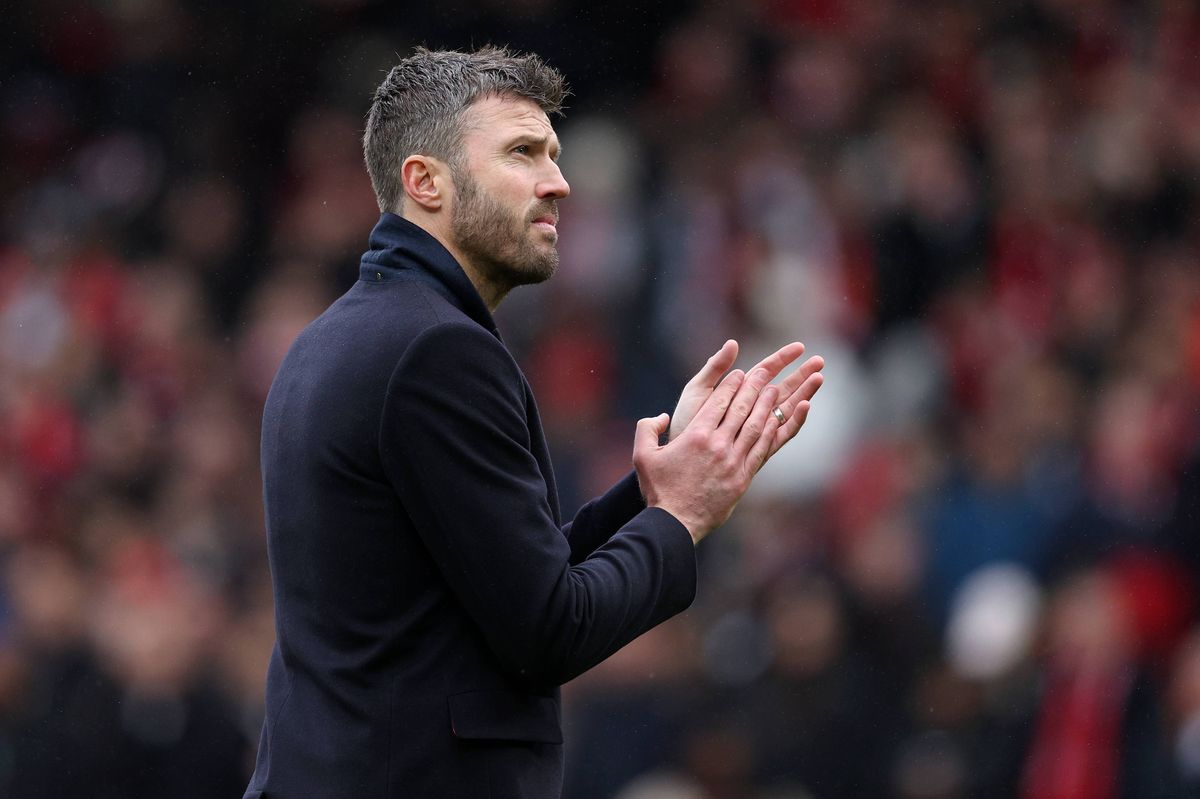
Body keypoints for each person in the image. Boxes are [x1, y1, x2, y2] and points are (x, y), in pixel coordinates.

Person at [242, 46, 824, 799]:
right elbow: (546, 629)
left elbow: (509, 578)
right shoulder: (436, 349)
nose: (559, 182)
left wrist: (666, 480)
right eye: (522, 153)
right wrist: (681, 518)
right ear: (425, 182)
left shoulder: (338, 337)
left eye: (553, 153)